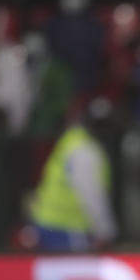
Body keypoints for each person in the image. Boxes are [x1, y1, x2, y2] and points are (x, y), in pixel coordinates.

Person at [29, 98, 118, 251]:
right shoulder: (86, 151)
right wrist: (106, 230)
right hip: (66, 228)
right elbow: (90, 193)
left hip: (49, 221)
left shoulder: (72, 140)